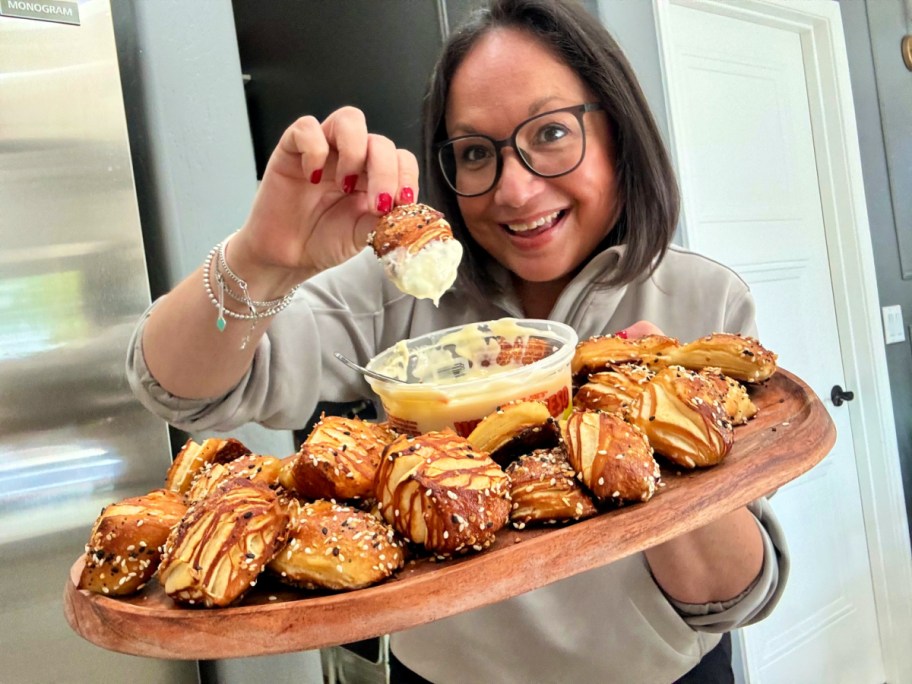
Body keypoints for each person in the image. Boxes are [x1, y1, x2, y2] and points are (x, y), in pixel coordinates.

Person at [127, 0, 788, 681]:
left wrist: (655, 434)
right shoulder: (396, 291)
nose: (516, 190)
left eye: (553, 132)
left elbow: (731, 597)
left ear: (619, 130)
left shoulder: (702, 306)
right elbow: (182, 388)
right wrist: (262, 257)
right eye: (476, 153)